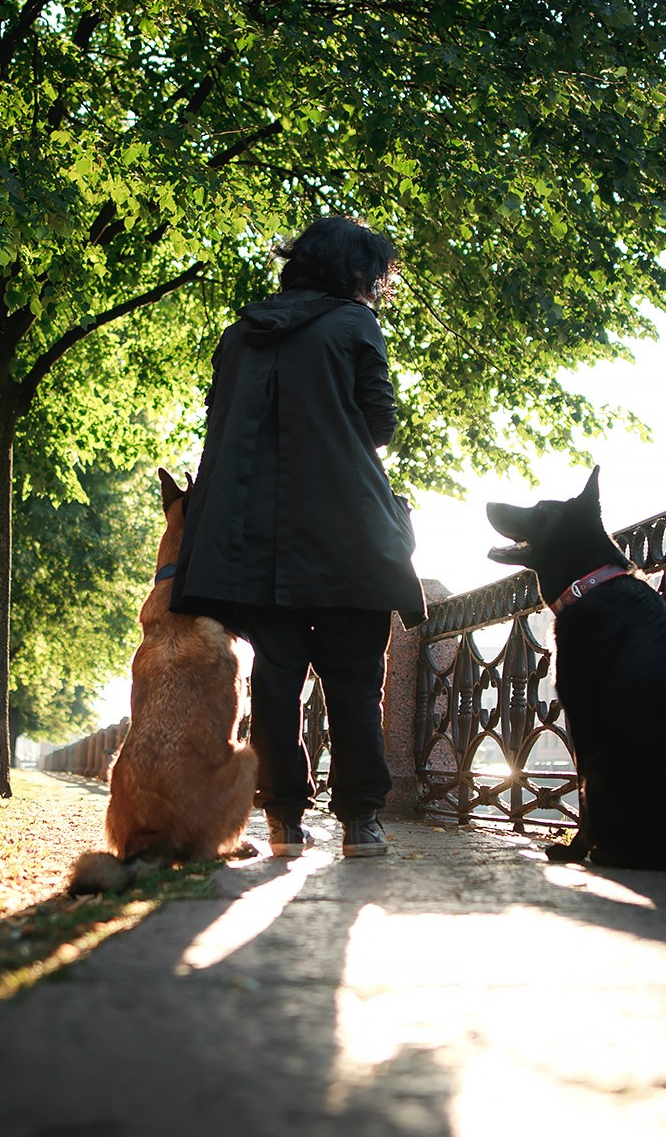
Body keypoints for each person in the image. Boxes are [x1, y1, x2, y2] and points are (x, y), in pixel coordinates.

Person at [170, 215, 425, 859]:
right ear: (354, 271)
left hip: (252, 544)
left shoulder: (238, 337)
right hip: (347, 535)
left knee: (275, 684)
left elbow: (222, 432)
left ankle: (284, 821)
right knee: (355, 682)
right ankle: (361, 821)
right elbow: (380, 426)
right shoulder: (354, 325)